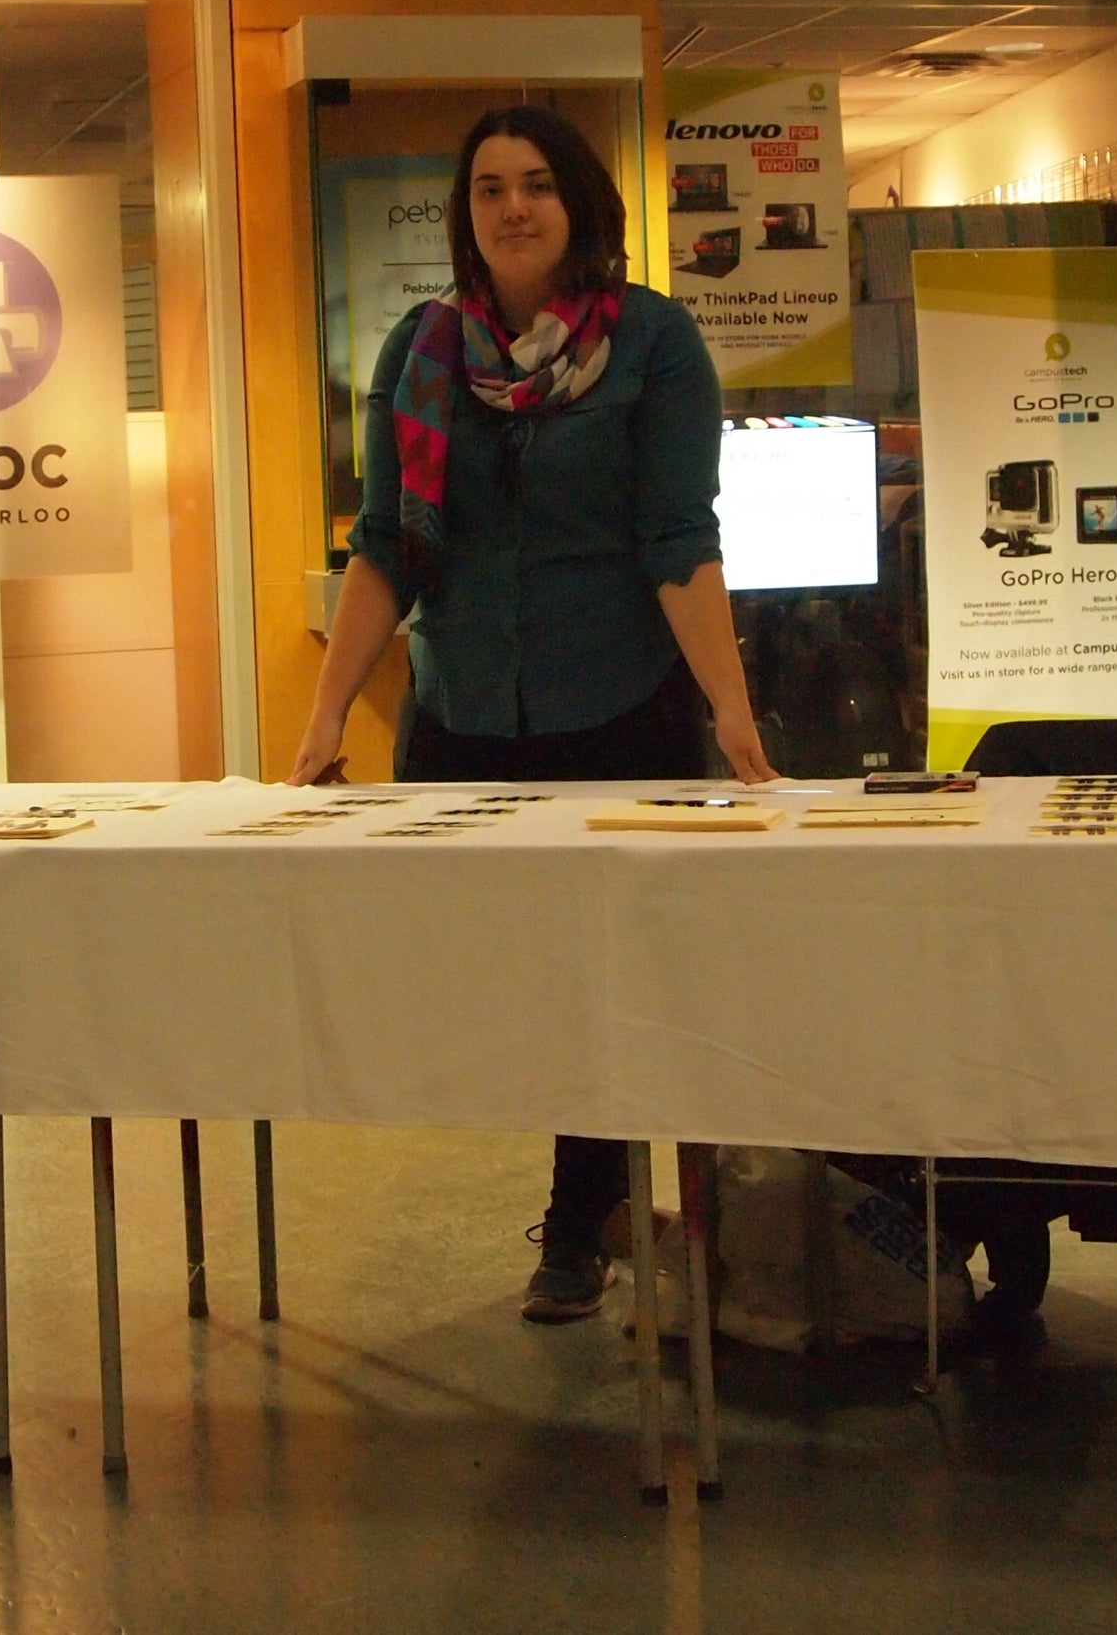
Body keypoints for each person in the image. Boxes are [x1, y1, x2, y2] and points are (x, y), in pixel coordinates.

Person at [285, 102, 775, 1323]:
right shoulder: (424, 349)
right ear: (467, 214)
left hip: (618, 714)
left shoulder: (654, 345)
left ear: (580, 208)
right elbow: (387, 544)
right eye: (492, 187)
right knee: (492, 980)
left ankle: (576, 1222)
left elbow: (678, 542)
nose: (514, 207)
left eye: (538, 185)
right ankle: (597, 1208)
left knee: (606, 981)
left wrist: (735, 715)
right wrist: (324, 717)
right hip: (460, 719)